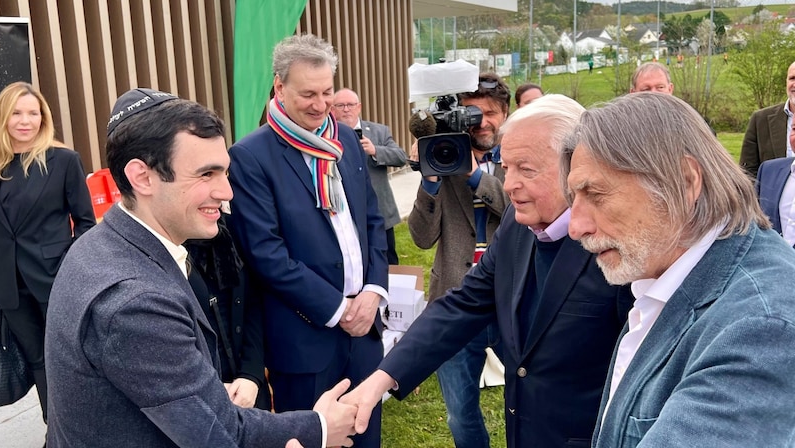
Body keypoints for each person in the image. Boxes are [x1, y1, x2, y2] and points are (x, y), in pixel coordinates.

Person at [45, 88, 357, 447]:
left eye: (224, 172)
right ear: (142, 177)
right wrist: (319, 428)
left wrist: (199, 390)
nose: (227, 191)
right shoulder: (135, 300)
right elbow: (220, 435)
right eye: (206, 174)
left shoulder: (102, 245)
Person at [340, 95, 632, 448]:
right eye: (506, 168)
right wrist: (382, 377)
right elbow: (463, 303)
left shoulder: (618, 245)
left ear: (577, 168)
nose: (509, 186)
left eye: (526, 169)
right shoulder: (516, 223)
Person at [562, 92, 795, 447]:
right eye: (573, 199)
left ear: (685, 182)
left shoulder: (760, 328)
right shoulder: (668, 275)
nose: (576, 226)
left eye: (595, 194)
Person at [227, 34, 388, 448]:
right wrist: (338, 309)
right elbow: (266, 254)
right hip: (306, 343)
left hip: (364, 333)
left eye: (328, 91)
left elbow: (371, 219)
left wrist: (373, 291)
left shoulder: (346, 139)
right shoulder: (250, 156)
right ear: (279, 87)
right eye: (308, 94)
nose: (321, 104)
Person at [407, 72, 511, 448]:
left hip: (511, 301)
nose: (480, 122)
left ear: (505, 114)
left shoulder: (518, 158)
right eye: (470, 114)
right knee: (459, 412)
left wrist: (472, 176)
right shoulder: (445, 156)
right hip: (455, 299)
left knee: (526, 398)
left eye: (488, 113)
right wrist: (431, 179)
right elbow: (420, 237)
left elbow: (517, 212)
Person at [0, 82, 96, 422]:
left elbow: (85, 222)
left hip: (54, 278)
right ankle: (56, 430)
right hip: (9, 286)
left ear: (43, 118)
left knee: (66, 358)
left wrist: (71, 266)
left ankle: (78, 429)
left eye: (33, 113)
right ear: (3, 118)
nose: (26, 121)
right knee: (38, 359)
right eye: (17, 113)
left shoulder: (63, 160)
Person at [184, 212, 272, 410]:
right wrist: (209, 389)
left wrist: (251, 374)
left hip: (249, 389)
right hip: (199, 398)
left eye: (224, 178)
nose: (225, 192)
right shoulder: (159, 249)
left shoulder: (230, 228)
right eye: (205, 178)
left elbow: (252, 303)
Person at [333, 87, 407, 265]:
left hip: (380, 212)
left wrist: (375, 151)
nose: (346, 109)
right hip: (344, 213)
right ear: (332, 110)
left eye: (350, 105)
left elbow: (401, 157)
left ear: (359, 107)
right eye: (340, 105)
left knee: (388, 261)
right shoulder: (327, 134)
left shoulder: (379, 131)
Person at [739, 60, 795, 177]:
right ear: (786, 82)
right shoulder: (761, 120)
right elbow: (747, 172)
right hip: (772, 195)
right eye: (792, 78)